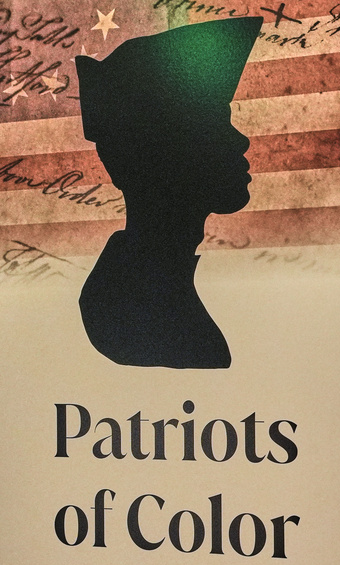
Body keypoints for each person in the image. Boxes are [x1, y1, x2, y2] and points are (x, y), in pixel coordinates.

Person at [75, 17, 263, 368]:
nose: (241, 140)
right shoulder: (127, 309)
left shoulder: (137, 287)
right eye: (212, 126)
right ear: (158, 153)